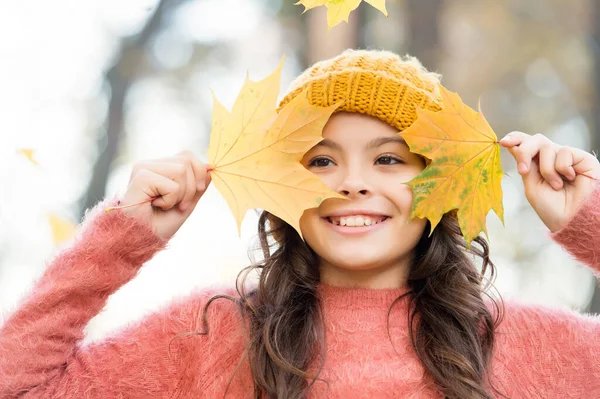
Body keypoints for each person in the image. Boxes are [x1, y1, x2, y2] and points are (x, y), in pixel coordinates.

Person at [1, 49, 599, 399]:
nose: (353, 182)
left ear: (441, 181)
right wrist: (119, 241)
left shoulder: (523, 343)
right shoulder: (217, 335)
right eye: (320, 160)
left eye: (388, 158)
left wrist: (591, 226)